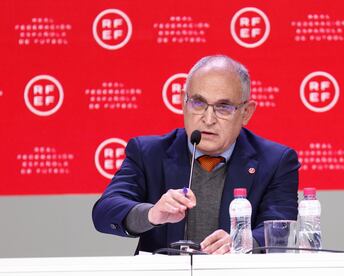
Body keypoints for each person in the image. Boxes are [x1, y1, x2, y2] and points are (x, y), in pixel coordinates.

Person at [92, 55, 300, 255]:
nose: (208, 119)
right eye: (198, 103)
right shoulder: (148, 153)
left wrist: (242, 242)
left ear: (246, 113)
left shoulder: (276, 161)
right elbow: (105, 211)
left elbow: (280, 228)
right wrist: (151, 213)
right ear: (184, 103)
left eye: (223, 107)